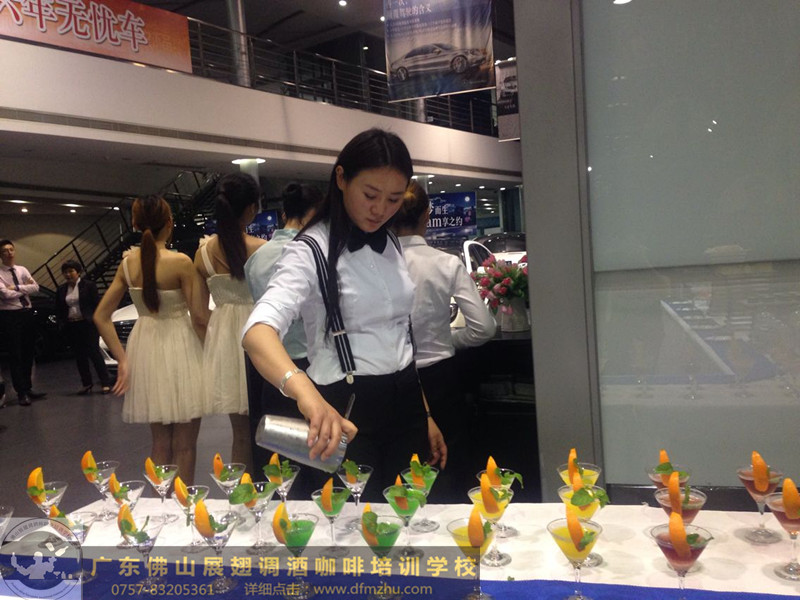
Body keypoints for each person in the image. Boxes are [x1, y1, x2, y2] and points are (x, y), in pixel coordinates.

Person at [242, 129, 444, 500]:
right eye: (370, 195)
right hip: (345, 412)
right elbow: (257, 332)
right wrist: (306, 394)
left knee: (411, 516)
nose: (380, 209)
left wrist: (426, 414)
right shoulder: (310, 250)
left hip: (407, 406)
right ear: (341, 178)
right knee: (357, 525)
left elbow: (399, 334)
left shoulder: (390, 240)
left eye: (394, 199)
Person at [393, 181, 496, 501]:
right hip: (440, 378)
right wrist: (447, 339)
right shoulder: (446, 263)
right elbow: (483, 328)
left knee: (401, 470)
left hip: (393, 380)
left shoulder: (378, 264)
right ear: (427, 215)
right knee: (448, 467)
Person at [94, 196, 208, 485]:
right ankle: (183, 504)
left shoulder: (127, 265)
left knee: (159, 442)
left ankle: (161, 504)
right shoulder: (181, 262)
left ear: (134, 224)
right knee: (185, 444)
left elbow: (101, 316)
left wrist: (122, 360)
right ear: (169, 223)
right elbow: (198, 316)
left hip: (145, 347)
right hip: (182, 347)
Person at [244, 182, 322, 477]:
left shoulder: (256, 258)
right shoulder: (313, 253)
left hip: (270, 370)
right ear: (313, 214)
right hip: (311, 369)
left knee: (279, 461)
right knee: (317, 457)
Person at [193, 173, 266, 472]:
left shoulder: (202, 254)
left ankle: (243, 493)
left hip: (225, 346)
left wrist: (220, 340)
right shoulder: (262, 249)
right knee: (273, 425)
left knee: (240, 434)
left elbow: (199, 316)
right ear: (251, 208)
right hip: (262, 340)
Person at [55, 260, 114, 395]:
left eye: (71, 271)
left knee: (94, 353)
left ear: (78, 272)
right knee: (79, 355)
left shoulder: (89, 286)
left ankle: (105, 382)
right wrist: (61, 323)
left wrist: (96, 320)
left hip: (87, 324)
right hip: (72, 325)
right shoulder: (61, 289)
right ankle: (86, 383)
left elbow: (96, 304)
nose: (68, 275)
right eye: (65, 272)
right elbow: (59, 308)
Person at [0, 239, 46, 407]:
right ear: (0, 255)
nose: (9, 253)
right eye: (5, 251)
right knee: (16, 355)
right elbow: (5, 295)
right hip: (10, 316)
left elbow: (36, 287)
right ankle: (21, 392)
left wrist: (15, 288)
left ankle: (28, 387)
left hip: (27, 314)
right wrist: (24, 288)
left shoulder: (22, 269)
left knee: (28, 353)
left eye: (11, 249)